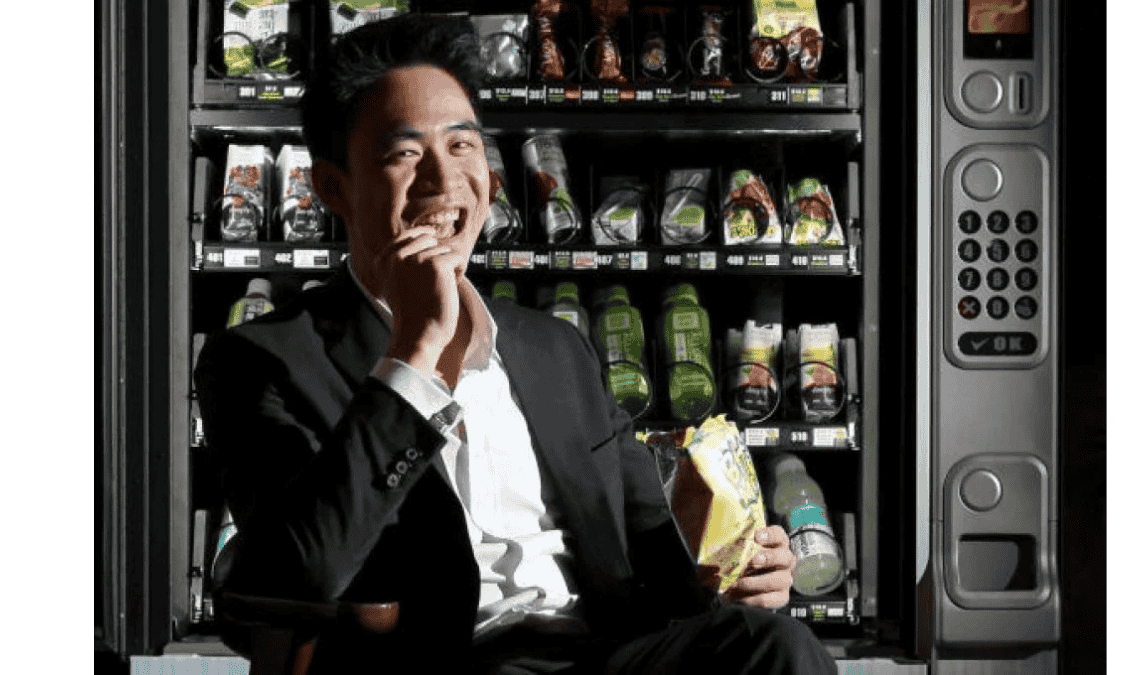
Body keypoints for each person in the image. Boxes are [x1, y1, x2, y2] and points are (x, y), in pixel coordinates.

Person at [195, 13, 836, 675]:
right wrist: (413, 352)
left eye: (462, 145)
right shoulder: (258, 361)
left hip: (603, 654)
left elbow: (656, 536)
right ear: (333, 187)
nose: (444, 181)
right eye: (404, 154)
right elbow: (298, 571)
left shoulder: (556, 348)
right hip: (441, 663)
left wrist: (735, 569)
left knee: (776, 646)